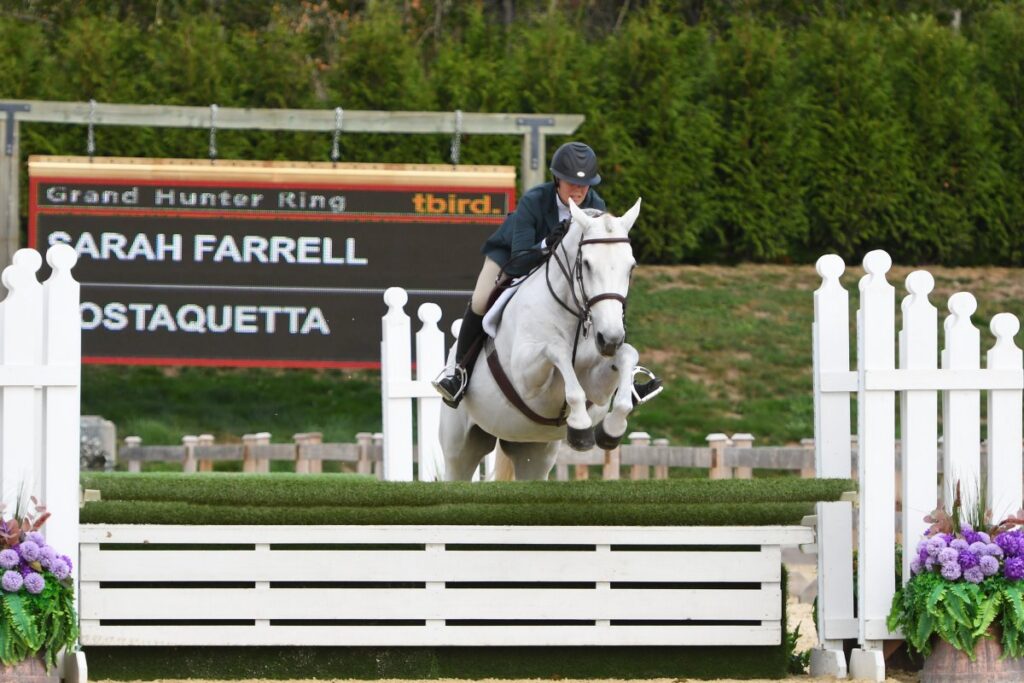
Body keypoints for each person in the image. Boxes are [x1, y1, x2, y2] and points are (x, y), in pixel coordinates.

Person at [431, 141, 662, 407]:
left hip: (559, 269)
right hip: (509, 255)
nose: (578, 190)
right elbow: (518, 261)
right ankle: (458, 374)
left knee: (607, 293)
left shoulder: (595, 204)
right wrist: (545, 245)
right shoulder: (535, 201)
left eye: (585, 184)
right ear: (557, 180)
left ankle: (626, 377)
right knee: (482, 299)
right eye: (571, 183)